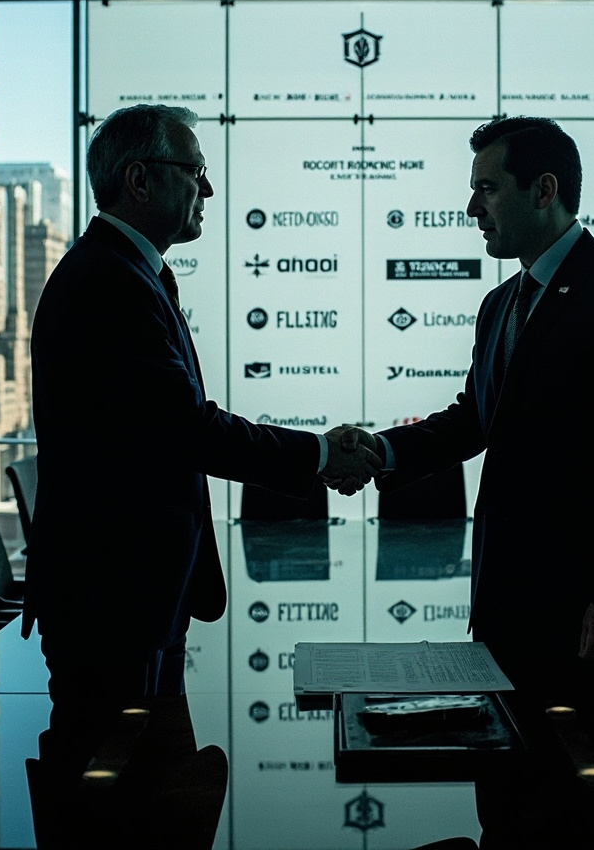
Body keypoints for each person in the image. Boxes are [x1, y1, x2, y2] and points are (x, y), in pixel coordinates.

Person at [349, 117, 594, 829]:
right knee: (508, 807)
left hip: (586, 620)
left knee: (585, 815)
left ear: (544, 190)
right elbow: (476, 419)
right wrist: (380, 451)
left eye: (485, 188)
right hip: (507, 613)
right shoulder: (500, 304)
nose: (471, 208)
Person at [22, 104, 378, 766]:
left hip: (130, 593)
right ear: (140, 179)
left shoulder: (126, 273)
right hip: (113, 600)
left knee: (149, 797)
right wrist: (323, 454)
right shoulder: (110, 285)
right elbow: (186, 428)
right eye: (195, 171)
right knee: (117, 804)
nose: (207, 189)